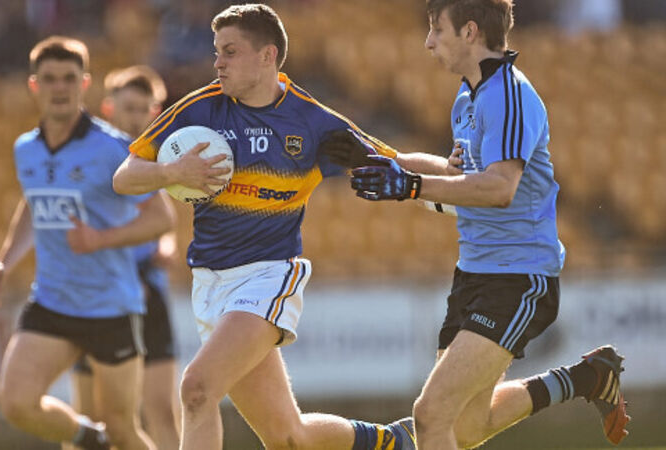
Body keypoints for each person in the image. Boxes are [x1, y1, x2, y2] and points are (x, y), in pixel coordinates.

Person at [323, 0, 631, 448]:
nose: (428, 43)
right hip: (474, 273)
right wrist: (382, 158)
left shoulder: (509, 94)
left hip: (518, 276)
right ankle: (586, 378)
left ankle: (587, 377)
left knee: (430, 415)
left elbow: (499, 187)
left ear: (469, 32)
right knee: (464, 427)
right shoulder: (468, 97)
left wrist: (410, 186)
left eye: (437, 30)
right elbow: (458, 177)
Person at [113, 4, 417, 449]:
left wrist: (455, 176)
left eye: (230, 52)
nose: (217, 62)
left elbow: (396, 161)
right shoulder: (200, 108)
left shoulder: (312, 120)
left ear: (267, 55)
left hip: (267, 276)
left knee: (196, 389)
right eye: (217, 51)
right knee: (289, 438)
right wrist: (171, 172)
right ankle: (392, 441)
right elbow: (124, 177)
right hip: (210, 284)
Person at [0, 36, 175, 450]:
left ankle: (105, 437)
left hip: (110, 307)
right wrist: (4, 263)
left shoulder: (114, 149)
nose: (60, 88)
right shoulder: (25, 149)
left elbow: (162, 218)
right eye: (49, 79)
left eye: (68, 78)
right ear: (34, 85)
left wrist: (101, 238)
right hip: (52, 301)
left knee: (124, 428)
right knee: (16, 403)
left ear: (84, 83)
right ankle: (91, 439)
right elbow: (34, 205)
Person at [67, 65, 181, 450]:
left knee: (162, 409)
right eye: (128, 108)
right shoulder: (92, 157)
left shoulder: (155, 161)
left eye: (142, 110)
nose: (135, 118)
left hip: (148, 292)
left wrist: (166, 246)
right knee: (92, 419)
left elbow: (163, 220)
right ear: (108, 107)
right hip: (99, 291)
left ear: (154, 113)